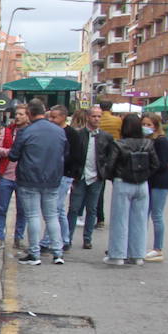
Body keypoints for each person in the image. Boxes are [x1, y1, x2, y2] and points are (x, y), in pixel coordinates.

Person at [9, 100, 68, 266]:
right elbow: (65, 152)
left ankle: (34, 254)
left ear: (29, 114)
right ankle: (58, 252)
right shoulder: (59, 131)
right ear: (44, 111)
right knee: (52, 216)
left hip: (29, 178)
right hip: (53, 178)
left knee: (33, 216)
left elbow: (14, 155)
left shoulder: (26, 131)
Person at [99, 111, 161, 266]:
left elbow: (110, 165)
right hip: (142, 184)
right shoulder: (148, 143)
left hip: (123, 183)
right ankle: (137, 255)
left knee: (120, 220)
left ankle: (118, 255)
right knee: (139, 221)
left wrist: (111, 177)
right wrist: (145, 175)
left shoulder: (119, 144)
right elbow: (155, 164)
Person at [66, 105, 114, 251]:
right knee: (74, 208)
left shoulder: (106, 137)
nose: (97, 119)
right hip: (80, 176)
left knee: (92, 209)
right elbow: (71, 156)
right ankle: (67, 238)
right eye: (94, 116)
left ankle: (88, 239)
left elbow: (109, 157)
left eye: (99, 116)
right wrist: (72, 175)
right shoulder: (78, 134)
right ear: (88, 117)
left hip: (96, 178)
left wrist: (104, 173)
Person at [0, 104, 29, 247]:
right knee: (2, 208)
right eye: (16, 114)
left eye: (21, 114)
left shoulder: (30, 132)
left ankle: (19, 238)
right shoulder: (7, 131)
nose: (18, 116)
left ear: (27, 116)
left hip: (23, 177)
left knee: (22, 209)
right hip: (6, 175)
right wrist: (10, 152)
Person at [144, 113, 168, 262]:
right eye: (143, 124)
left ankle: (158, 249)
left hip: (160, 181)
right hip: (151, 181)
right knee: (145, 213)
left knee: (156, 215)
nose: (146, 127)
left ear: (156, 126)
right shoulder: (150, 140)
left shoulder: (161, 141)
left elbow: (162, 163)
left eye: (149, 124)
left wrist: (147, 171)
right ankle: (140, 245)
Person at [48, 105, 74, 252]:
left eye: (54, 117)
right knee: (59, 209)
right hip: (55, 174)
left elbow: (74, 156)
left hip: (64, 175)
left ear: (63, 117)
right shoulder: (54, 132)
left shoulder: (70, 133)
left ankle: (48, 241)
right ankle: (65, 238)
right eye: (50, 116)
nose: (51, 120)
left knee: (54, 208)